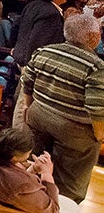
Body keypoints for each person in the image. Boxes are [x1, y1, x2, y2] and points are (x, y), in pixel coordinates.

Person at [18, 13, 104, 203]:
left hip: (38, 116)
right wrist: (99, 134)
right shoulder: (96, 66)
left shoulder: (44, 51)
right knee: (69, 185)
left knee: (34, 167)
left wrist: (28, 108)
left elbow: (27, 83)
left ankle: (32, 204)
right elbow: (96, 108)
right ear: (93, 37)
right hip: (74, 130)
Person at [0, 127, 81, 213]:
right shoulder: (20, 185)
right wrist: (47, 174)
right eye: (28, 154)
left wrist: (32, 169)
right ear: (15, 157)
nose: (29, 156)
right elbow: (53, 209)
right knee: (73, 207)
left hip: (9, 200)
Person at [13, 0, 67, 68]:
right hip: (31, 64)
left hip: (20, 56)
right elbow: (36, 42)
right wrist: (31, 67)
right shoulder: (51, 14)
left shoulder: (33, 5)